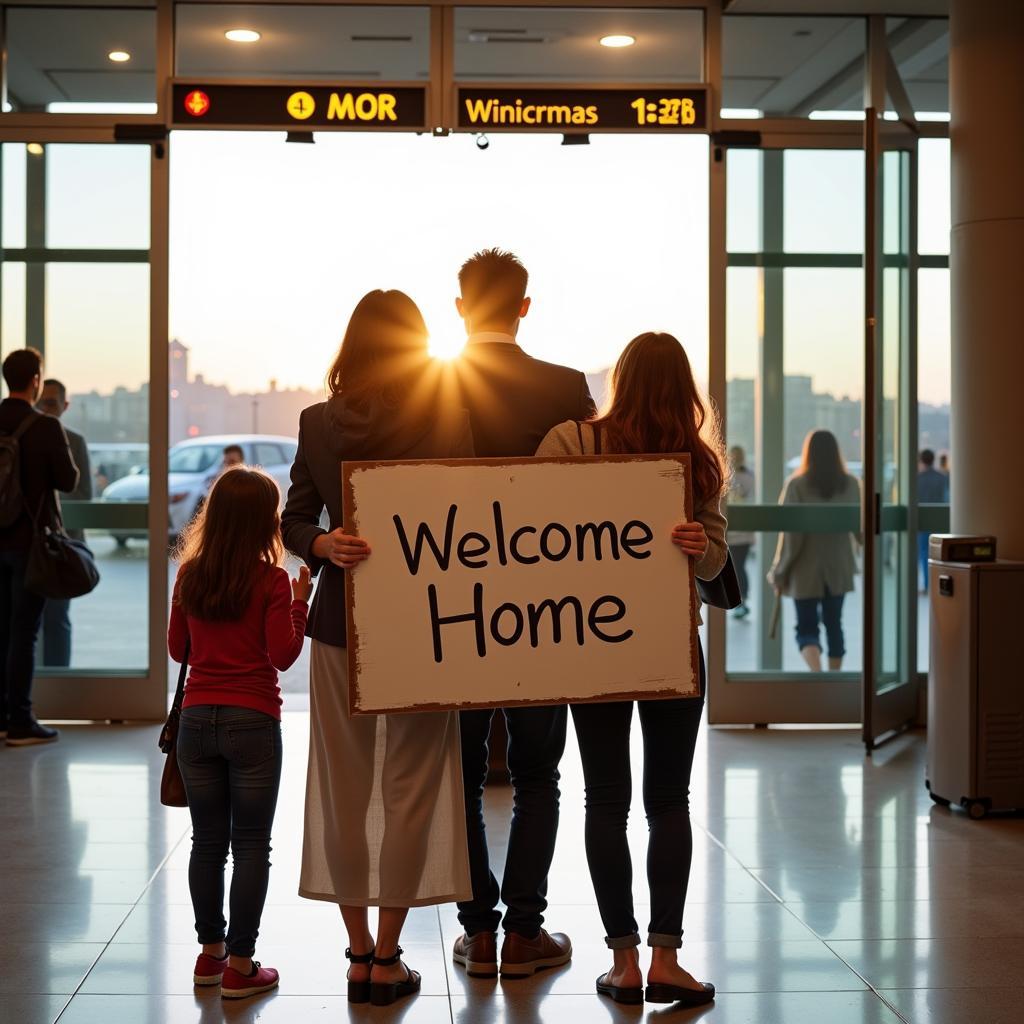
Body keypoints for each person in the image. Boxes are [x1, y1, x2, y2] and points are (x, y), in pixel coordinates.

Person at [282, 290, 473, 1007]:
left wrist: (325, 544)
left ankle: (358, 952)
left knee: (343, 783)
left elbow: (294, 517)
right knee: (413, 790)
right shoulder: (446, 411)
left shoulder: (315, 423)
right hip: (428, 621)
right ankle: (389, 955)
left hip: (339, 618)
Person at [535, 331, 723, 1008]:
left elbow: (529, 534)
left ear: (621, 379)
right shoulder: (697, 464)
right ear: (685, 387)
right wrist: (697, 545)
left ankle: (623, 963)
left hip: (592, 642)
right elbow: (712, 564)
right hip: (671, 642)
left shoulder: (568, 443)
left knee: (605, 800)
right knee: (670, 799)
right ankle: (667, 956)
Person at [449, 248, 596, 980]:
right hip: (545, 608)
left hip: (455, 609)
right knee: (538, 773)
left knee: (465, 774)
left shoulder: (431, 385)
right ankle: (524, 934)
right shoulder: (566, 387)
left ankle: (476, 933)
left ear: (458, 308)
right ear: (525, 307)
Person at [169, 466, 312, 1000]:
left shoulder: (190, 576)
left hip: (196, 720)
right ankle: (243, 965)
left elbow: (178, 651)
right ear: (265, 522)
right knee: (251, 844)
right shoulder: (272, 581)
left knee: (207, 842)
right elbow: (282, 655)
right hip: (252, 720)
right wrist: (299, 602)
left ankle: (211, 956)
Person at [0, 349, 78, 746]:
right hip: (30, 544)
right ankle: (20, 721)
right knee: (24, 632)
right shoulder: (45, 426)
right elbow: (69, 481)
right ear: (34, 380)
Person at [768, 430, 861, 672]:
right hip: (838, 566)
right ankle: (833, 677)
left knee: (806, 628)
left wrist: (779, 571)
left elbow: (791, 537)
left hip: (804, 569)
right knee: (834, 625)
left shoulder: (796, 485)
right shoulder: (851, 484)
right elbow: (860, 530)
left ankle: (817, 674)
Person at [36, 378, 93, 667]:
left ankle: (57, 681)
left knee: (56, 618)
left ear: (64, 406)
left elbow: (84, 495)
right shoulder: (28, 436)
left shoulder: (75, 441)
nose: (43, 409)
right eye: (40, 401)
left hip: (60, 546)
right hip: (34, 544)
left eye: (50, 403)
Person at [726, 445, 755, 619]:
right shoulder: (743, 476)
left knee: (738, 567)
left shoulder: (739, 477)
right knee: (737, 567)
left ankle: (740, 601)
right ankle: (740, 601)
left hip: (739, 532)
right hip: (735, 532)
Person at [918, 448, 950, 593]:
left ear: (921, 460)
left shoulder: (917, 478)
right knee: (939, 554)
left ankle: (927, 585)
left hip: (923, 520)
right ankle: (938, 582)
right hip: (939, 520)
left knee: (924, 552)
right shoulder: (942, 478)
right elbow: (946, 498)